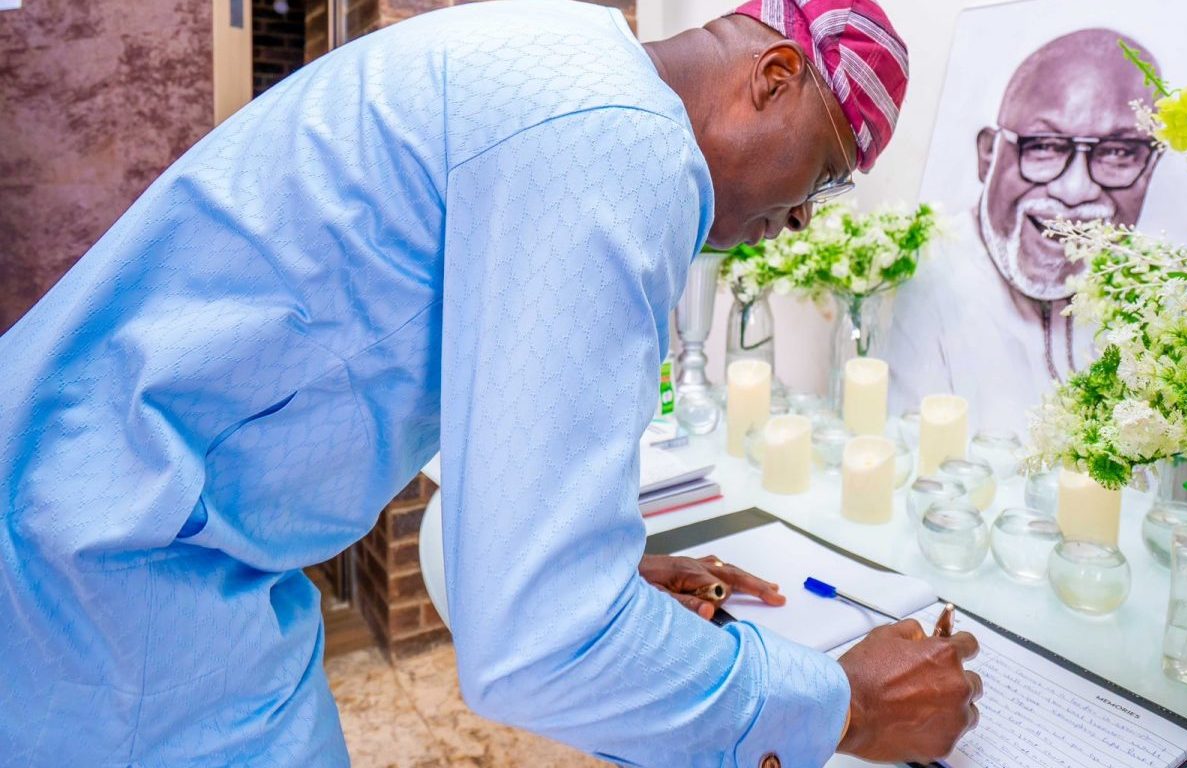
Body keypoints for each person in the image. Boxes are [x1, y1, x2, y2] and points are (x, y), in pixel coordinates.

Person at [0, 1, 981, 765]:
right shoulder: (620, 143)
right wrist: (846, 704)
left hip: (93, 505)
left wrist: (584, 554)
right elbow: (543, 644)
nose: (803, 221)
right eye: (824, 176)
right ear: (773, 77)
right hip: (120, 573)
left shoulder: (568, 62)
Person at [887, 28, 1162, 434]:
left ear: (1150, 167)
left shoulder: (1160, 298)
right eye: (1044, 146)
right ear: (988, 154)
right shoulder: (928, 274)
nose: (1075, 191)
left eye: (1118, 153)